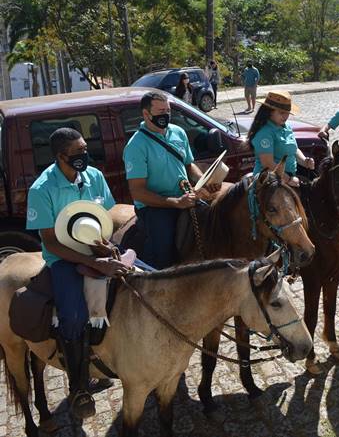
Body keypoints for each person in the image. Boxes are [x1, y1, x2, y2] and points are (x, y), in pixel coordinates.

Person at [26, 128, 129, 419]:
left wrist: (107, 248)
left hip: (96, 248)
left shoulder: (94, 176)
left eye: (85, 148)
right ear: (61, 157)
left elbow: (107, 217)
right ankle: (78, 385)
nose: (85, 155)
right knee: (72, 314)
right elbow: (51, 242)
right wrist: (97, 265)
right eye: (78, 152)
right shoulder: (41, 189)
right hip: (63, 258)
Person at [123, 92, 220, 269]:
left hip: (186, 198)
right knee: (164, 251)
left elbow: (189, 165)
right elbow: (138, 191)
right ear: (146, 114)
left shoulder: (179, 132)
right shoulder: (136, 146)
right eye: (160, 111)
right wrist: (175, 202)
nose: (165, 115)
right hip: (156, 207)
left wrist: (204, 180)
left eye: (168, 110)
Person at [247, 90, 314, 187]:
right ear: (269, 112)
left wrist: (304, 161)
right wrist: (288, 179)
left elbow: (294, 150)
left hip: (288, 177)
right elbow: (267, 163)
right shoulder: (264, 133)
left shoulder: (286, 127)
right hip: (268, 181)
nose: (286, 116)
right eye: (282, 113)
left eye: (288, 113)